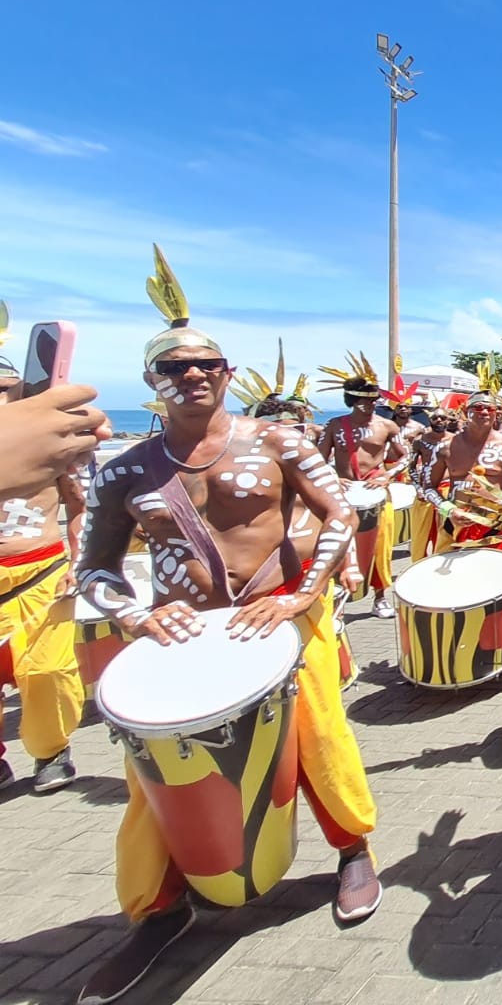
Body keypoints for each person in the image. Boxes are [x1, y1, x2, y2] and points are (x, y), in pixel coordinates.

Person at [74, 248, 379, 1005]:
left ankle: (351, 850)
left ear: (224, 369)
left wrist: (301, 595)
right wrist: (139, 614)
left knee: (319, 740)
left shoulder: (277, 441)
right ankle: (156, 908)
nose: (192, 376)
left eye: (205, 363)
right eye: (174, 368)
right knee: (154, 781)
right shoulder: (123, 471)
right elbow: (95, 571)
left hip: (279, 622)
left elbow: (339, 514)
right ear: (154, 381)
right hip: (182, 643)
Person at [0, 305, 87, 794]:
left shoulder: (50, 447)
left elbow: (78, 507)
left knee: (48, 670)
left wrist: (80, 561)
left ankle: (52, 751)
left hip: (41, 570)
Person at [315, 355, 405, 616]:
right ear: (352, 401)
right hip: (343, 496)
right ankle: (337, 600)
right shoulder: (334, 426)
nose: (371, 405)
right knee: (338, 547)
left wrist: (388, 476)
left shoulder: (386, 426)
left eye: (374, 400)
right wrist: (333, 477)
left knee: (381, 546)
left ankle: (380, 596)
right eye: (365, 400)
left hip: (377, 493)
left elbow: (406, 456)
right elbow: (317, 460)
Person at [418, 368, 502, 553]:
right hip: (455, 524)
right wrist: (449, 511)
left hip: (496, 527)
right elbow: (428, 488)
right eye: (478, 408)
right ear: (466, 413)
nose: (484, 412)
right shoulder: (445, 447)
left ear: (496, 414)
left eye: (489, 408)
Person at [406, 409, 453, 559]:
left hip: (446, 492)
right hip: (424, 492)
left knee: (445, 535)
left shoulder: (456, 440)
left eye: (442, 418)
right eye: (435, 418)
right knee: (420, 535)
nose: (439, 420)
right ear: (430, 420)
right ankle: (417, 566)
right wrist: (419, 488)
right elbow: (411, 468)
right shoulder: (419, 441)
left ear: (448, 420)